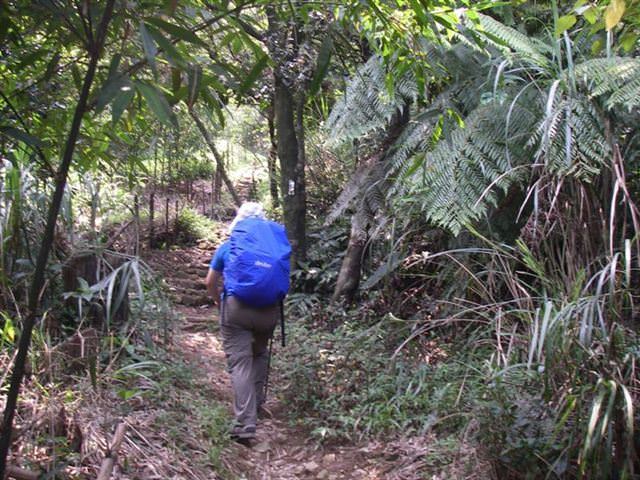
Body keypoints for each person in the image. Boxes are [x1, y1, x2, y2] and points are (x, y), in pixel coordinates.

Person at [205, 202, 281, 441]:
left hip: (236, 309)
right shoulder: (273, 249)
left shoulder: (229, 247)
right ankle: (257, 403)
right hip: (268, 310)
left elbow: (210, 282)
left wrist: (219, 302)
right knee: (258, 353)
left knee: (240, 363)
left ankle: (245, 423)